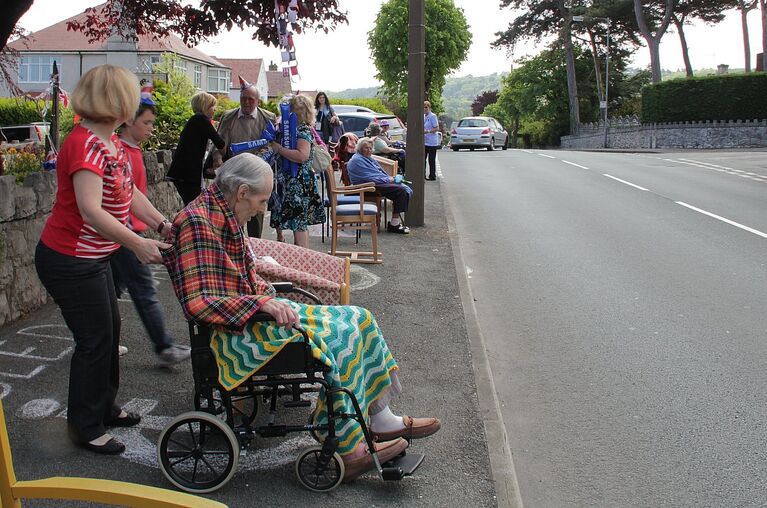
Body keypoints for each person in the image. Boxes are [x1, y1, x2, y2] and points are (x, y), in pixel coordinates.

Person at [161, 153, 440, 481]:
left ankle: (380, 417)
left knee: (360, 317)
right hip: (234, 334)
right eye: (262, 200)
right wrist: (261, 304)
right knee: (341, 337)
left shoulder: (220, 213)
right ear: (242, 193)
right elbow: (199, 303)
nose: (263, 209)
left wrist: (266, 296)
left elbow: (245, 276)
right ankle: (349, 452)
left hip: (252, 317)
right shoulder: (197, 222)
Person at [34, 64, 172, 455]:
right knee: (95, 340)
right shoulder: (83, 144)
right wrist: (136, 244)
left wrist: (163, 226)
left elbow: (129, 197)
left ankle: (104, 408)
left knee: (108, 334)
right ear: (117, 102)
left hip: (91, 258)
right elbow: (91, 211)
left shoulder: (112, 142)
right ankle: (86, 426)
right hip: (69, 259)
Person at [112, 95, 191, 368]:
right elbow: (122, 199)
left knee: (111, 290)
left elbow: (135, 196)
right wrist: (144, 233)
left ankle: (102, 340)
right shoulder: (117, 151)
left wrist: (161, 224)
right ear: (129, 121)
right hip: (125, 235)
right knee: (143, 290)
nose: (151, 128)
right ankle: (165, 346)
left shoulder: (129, 151)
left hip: (124, 235)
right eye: (146, 122)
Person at [211, 77, 276, 238]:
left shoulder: (268, 117)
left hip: (258, 173)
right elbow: (220, 143)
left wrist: (254, 163)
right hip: (234, 174)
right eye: (243, 99)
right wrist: (217, 158)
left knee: (255, 217)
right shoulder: (228, 117)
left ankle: (254, 247)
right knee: (232, 217)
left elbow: (271, 145)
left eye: (250, 99)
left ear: (258, 101)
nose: (246, 102)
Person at [268, 94, 325, 248]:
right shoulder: (301, 129)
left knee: (299, 224)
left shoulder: (302, 130)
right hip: (297, 181)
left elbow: (302, 156)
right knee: (298, 223)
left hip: (298, 182)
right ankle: (300, 258)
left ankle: (302, 260)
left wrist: (279, 149)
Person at [166, 91, 226, 205]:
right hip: (188, 175)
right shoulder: (201, 120)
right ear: (205, 107)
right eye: (212, 106)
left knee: (192, 204)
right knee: (194, 206)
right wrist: (223, 152)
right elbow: (220, 143)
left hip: (182, 174)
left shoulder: (194, 120)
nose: (215, 109)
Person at [347, 138, 412, 234]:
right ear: (360, 149)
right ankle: (394, 224)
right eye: (366, 148)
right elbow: (369, 177)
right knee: (400, 190)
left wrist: (391, 179)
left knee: (401, 187)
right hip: (366, 186)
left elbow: (378, 173)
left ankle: (395, 222)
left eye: (370, 148)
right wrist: (388, 179)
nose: (369, 150)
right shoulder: (357, 160)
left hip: (374, 183)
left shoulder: (368, 158)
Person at [424, 101, 440, 181]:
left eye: (426, 107)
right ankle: (422, 174)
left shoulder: (432, 116)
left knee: (431, 159)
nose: (425, 109)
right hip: (424, 141)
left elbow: (437, 128)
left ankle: (432, 176)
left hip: (432, 142)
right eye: (423, 107)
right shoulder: (423, 116)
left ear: (429, 108)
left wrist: (428, 131)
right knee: (423, 159)